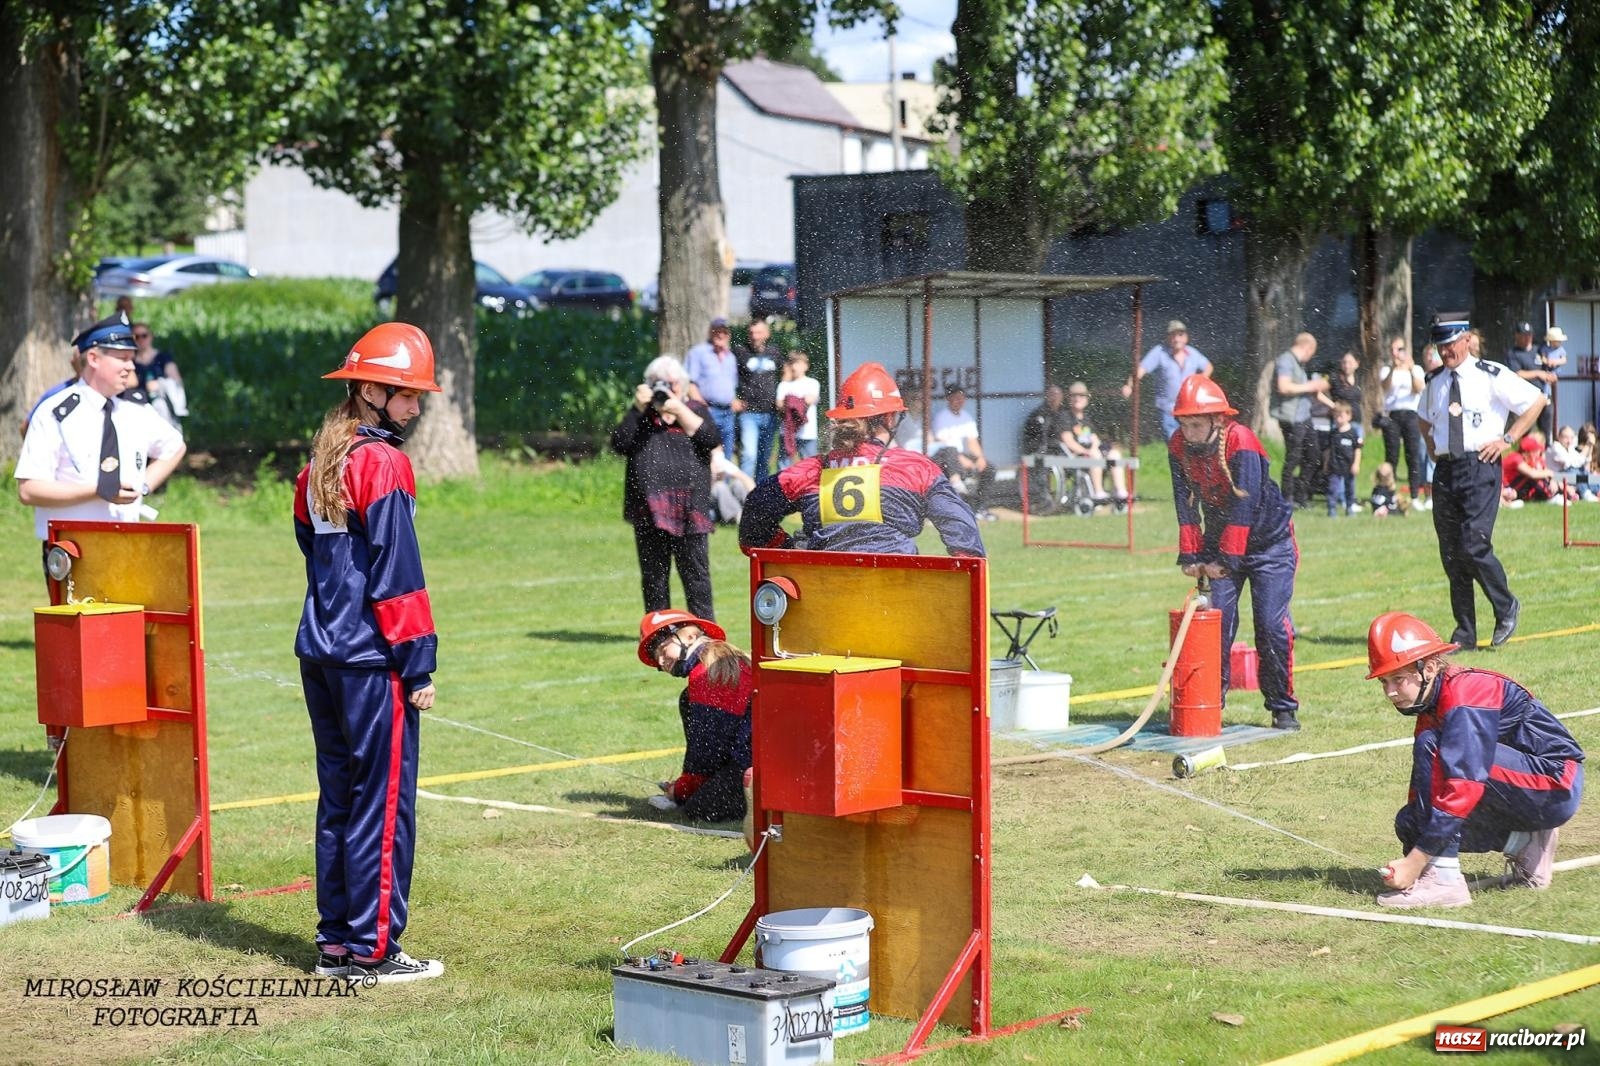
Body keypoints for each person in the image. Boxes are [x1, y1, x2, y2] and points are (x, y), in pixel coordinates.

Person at [293, 322, 443, 983]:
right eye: (408, 395)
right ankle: (373, 951)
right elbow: (396, 573)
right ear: (372, 391)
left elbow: (313, 550)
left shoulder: (317, 465)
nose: (415, 407)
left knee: (341, 800)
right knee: (382, 807)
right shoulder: (382, 462)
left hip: (321, 652)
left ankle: (337, 942)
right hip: (370, 660)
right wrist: (419, 663)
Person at [1364, 612, 1584, 908]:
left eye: (1399, 679)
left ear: (1428, 667)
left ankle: (1446, 884)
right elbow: (1424, 789)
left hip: (1555, 783)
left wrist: (1418, 861)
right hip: (1521, 787)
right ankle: (1527, 844)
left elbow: (1463, 783)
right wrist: (1413, 850)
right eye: (1384, 682)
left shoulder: (1465, 693)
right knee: (1410, 821)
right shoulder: (1430, 703)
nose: (1390, 692)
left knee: (1441, 755)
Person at [739, 361, 986, 557]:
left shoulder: (809, 471)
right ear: (890, 419)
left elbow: (753, 520)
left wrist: (788, 549)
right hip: (901, 600)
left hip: (823, 600)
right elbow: (963, 533)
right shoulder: (918, 469)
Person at [1166, 376, 1301, 731]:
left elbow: (1246, 507)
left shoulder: (1242, 440)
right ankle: (1209, 706)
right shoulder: (1177, 446)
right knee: (1215, 626)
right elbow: (1184, 504)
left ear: (1217, 420)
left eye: (1196, 425)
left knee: (1271, 626)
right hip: (1219, 545)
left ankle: (1282, 707)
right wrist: (1191, 556)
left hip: (1270, 544)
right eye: (1184, 424)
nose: (1189, 433)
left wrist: (1226, 561)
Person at [14, 314, 186, 566]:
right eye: (122, 359)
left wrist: (143, 486)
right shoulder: (57, 412)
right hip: (71, 550)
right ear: (93, 358)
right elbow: (29, 490)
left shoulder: (134, 408)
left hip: (128, 543)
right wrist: (97, 491)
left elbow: (174, 446)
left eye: (132, 358)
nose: (131, 366)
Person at [1418, 314, 1546, 650]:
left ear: (1465, 340)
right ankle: (1465, 634)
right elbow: (1421, 419)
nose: (1445, 351)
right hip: (1446, 470)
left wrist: (1508, 438)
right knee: (1452, 554)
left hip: (1480, 465)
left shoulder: (1491, 374)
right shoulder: (1435, 382)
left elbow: (1536, 401)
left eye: (1449, 344)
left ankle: (1506, 606)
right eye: (1440, 345)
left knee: (1473, 544)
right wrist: (1433, 448)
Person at [611, 354, 721, 621]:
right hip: (649, 510)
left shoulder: (694, 409)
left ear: (681, 385)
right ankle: (660, 635)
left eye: (671, 384)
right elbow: (619, 443)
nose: (665, 389)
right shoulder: (642, 416)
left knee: (696, 575)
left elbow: (711, 439)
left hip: (689, 509)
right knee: (654, 578)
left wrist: (680, 410)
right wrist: (637, 408)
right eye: (658, 383)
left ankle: (706, 632)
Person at [636, 609, 753, 822]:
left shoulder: (704, 675)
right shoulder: (721, 660)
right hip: (762, 760)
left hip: (755, 768)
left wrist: (681, 791)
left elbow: (709, 753)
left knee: (699, 809)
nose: (661, 662)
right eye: (657, 658)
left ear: (690, 636)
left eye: (663, 650)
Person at [1122, 319, 1213, 439]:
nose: (1177, 339)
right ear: (1168, 337)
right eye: (1173, 335)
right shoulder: (1159, 352)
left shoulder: (1193, 354)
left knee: (1191, 439)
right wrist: (1129, 385)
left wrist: (1199, 383)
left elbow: (1208, 367)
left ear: (1186, 337)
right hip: (1168, 409)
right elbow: (1141, 370)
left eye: (1180, 335)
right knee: (1173, 441)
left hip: (1188, 407)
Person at [1271, 332, 1328, 509]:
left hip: (1305, 416)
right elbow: (1284, 386)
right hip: (1292, 418)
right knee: (1293, 458)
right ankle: (1286, 498)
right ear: (1307, 347)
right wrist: (1310, 385)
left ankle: (1302, 496)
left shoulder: (1299, 365)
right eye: (1312, 352)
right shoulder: (1286, 361)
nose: (1311, 356)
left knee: (1313, 456)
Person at [930, 384, 997, 520]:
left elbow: (972, 440)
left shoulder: (966, 417)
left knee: (989, 469)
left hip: (962, 455)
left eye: (962, 398)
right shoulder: (942, 417)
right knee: (958, 468)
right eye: (956, 398)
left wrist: (980, 458)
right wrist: (962, 460)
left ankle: (979, 508)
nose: (959, 401)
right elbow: (945, 445)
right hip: (947, 457)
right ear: (948, 399)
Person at [1378, 336, 1428, 510]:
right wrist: (1393, 368)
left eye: (1398, 349)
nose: (1395, 353)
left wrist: (1411, 368)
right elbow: (1384, 386)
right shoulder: (1386, 369)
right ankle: (1388, 493)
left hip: (1411, 414)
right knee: (1392, 455)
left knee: (1412, 455)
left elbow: (1419, 388)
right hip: (1392, 415)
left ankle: (1414, 495)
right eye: (1392, 349)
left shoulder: (1416, 369)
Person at [1062, 380, 1129, 505]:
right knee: (1095, 455)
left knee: (1114, 454)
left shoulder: (1086, 419)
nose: (1078, 398)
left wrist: (1095, 448)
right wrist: (1087, 451)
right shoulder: (1065, 417)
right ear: (1069, 398)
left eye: (1082, 395)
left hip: (1091, 453)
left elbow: (1094, 438)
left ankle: (1120, 491)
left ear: (1087, 399)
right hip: (1075, 456)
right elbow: (1068, 441)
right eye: (1074, 395)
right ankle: (1098, 492)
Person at [734, 318, 782, 478]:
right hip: (748, 413)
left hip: (770, 413)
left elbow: (786, 374)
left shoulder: (775, 352)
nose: (755, 336)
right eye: (751, 333)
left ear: (767, 334)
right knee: (749, 455)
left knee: (764, 457)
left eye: (759, 332)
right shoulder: (740, 352)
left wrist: (782, 397)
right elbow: (728, 376)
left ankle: (762, 495)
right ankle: (745, 494)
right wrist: (732, 398)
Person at [684, 318, 738, 457]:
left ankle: (724, 480)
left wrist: (733, 401)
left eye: (724, 332)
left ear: (728, 335)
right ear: (710, 332)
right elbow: (690, 383)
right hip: (708, 410)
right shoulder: (698, 353)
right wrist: (702, 407)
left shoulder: (731, 357)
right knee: (707, 451)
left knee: (727, 453)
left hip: (728, 413)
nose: (721, 335)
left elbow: (731, 384)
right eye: (717, 331)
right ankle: (706, 479)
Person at [1504, 322, 1560, 440]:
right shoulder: (1513, 353)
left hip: (1543, 396)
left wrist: (1551, 375)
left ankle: (1545, 451)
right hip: (1526, 399)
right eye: (1523, 335)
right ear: (1517, 336)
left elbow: (1549, 365)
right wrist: (1538, 374)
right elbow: (1517, 374)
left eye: (1529, 335)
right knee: (1526, 432)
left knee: (1546, 430)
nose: (1527, 338)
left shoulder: (1539, 350)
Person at [130, 323, 188, 430]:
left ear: (151, 336)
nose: (141, 339)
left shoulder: (163, 358)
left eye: (144, 335)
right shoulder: (129, 361)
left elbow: (176, 380)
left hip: (162, 411)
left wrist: (160, 384)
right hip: (138, 411)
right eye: (136, 336)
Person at [1500, 430, 1570, 505]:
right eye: (1536, 451)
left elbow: (1546, 472)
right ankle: (1551, 497)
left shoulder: (1534, 459)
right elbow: (1533, 474)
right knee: (1535, 477)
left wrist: (1553, 480)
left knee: (1573, 477)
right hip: (1506, 487)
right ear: (1528, 452)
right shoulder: (1516, 458)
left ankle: (1568, 491)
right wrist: (1550, 474)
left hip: (1561, 476)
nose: (1539, 453)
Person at [775, 350, 820, 467]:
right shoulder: (784, 385)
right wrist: (796, 402)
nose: (795, 366)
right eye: (792, 363)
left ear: (806, 365)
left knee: (810, 465)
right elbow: (779, 405)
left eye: (798, 363)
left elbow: (811, 399)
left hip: (807, 433)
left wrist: (791, 401)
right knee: (784, 466)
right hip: (787, 433)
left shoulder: (812, 383)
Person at [1324, 401, 1362, 517]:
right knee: (1333, 488)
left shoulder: (1353, 433)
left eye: (1341, 416)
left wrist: (1356, 464)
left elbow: (1358, 450)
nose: (1338, 419)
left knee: (1349, 488)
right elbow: (1328, 450)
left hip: (1348, 466)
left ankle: (1349, 507)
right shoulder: (1333, 433)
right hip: (1335, 466)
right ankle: (1332, 509)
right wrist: (1326, 463)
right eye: (1336, 416)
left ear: (1349, 416)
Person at [708, 445, 755, 526]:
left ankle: (753, 511)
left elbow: (746, 479)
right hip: (709, 505)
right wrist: (712, 474)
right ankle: (739, 517)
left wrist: (757, 499)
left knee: (738, 484)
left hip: (724, 503)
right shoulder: (699, 462)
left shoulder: (720, 461)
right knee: (720, 486)